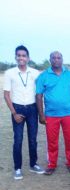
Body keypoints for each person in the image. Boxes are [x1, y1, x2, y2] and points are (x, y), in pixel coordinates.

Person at [3, 45, 44, 179]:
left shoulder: (35, 73)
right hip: (18, 108)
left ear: (28, 58)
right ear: (16, 57)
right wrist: (14, 113)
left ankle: (33, 164)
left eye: (23, 55)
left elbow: (47, 80)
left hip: (32, 109)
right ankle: (18, 168)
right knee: (18, 139)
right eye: (19, 55)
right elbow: (6, 95)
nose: (21, 58)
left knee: (33, 139)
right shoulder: (10, 73)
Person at [36, 51, 70, 175]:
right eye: (53, 58)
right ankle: (52, 164)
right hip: (51, 114)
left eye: (59, 57)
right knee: (52, 141)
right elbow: (38, 96)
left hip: (68, 113)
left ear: (62, 59)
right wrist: (41, 115)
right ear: (50, 60)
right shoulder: (43, 76)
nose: (56, 60)